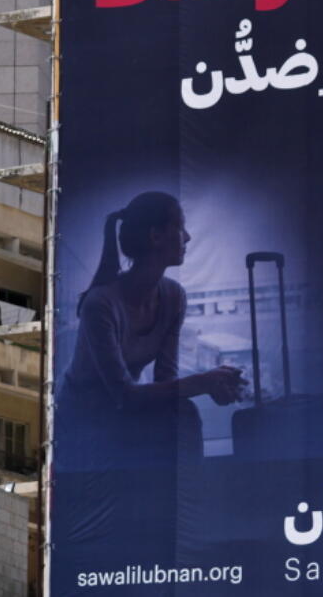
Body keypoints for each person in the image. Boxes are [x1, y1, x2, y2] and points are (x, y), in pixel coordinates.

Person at [59, 191, 244, 469]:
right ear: (156, 236)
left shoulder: (173, 296)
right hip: (84, 423)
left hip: (125, 413)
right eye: (180, 227)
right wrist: (204, 383)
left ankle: (190, 500)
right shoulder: (100, 304)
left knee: (184, 413)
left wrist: (215, 385)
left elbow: (165, 379)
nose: (188, 237)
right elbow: (123, 395)